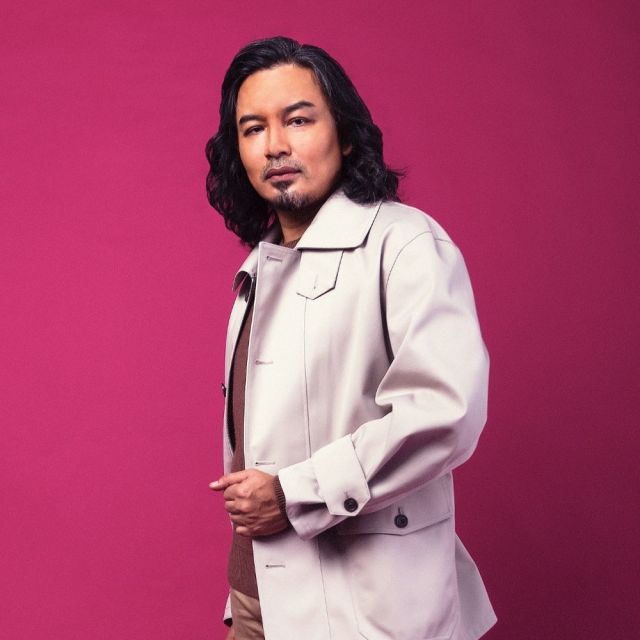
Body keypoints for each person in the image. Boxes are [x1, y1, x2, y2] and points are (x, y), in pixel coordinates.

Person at [206, 36, 496, 640]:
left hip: (362, 612)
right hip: (259, 602)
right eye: (253, 128)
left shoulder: (404, 243)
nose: (276, 144)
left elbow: (444, 411)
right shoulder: (258, 269)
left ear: (345, 133)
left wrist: (295, 493)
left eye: (298, 120)